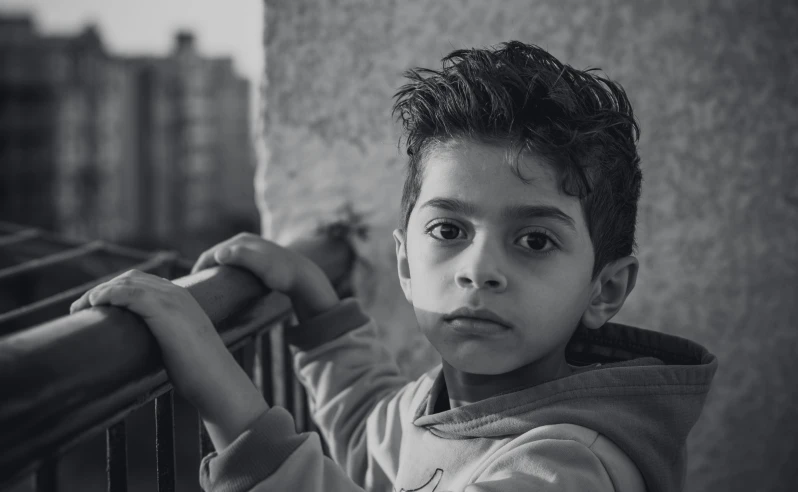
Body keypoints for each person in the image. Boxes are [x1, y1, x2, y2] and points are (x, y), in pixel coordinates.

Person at [69, 41, 718, 492]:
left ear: (604, 290)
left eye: (535, 242)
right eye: (448, 230)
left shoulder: (569, 466)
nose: (478, 269)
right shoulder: (440, 407)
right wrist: (316, 304)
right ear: (404, 262)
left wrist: (219, 388)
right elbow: (367, 425)